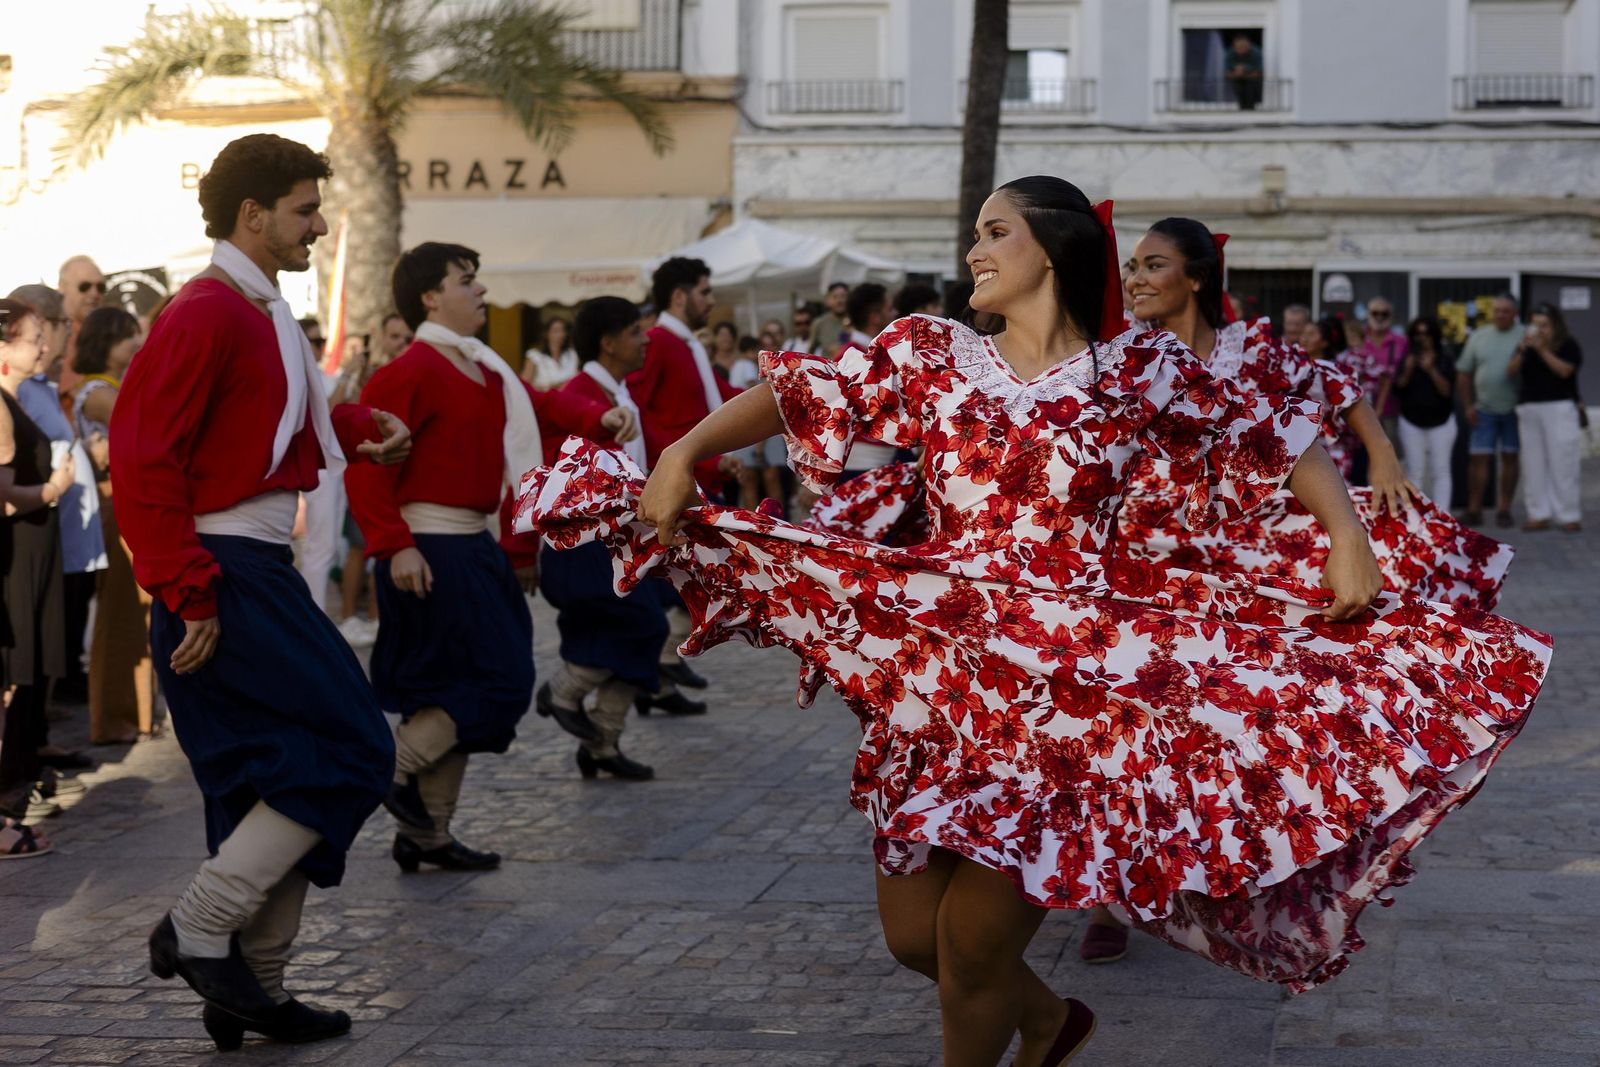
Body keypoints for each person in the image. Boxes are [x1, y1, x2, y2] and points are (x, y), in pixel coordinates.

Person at [521, 176, 1550, 1066]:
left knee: (972, 949)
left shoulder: (1134, 370)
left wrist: (1347, 536)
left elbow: (1274, 433)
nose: (974, 249)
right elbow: (799, 393)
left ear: (1051, 249)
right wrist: (681, 452)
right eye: (974, 233)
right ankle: (1051, 1020)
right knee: (916, 941)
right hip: (942, 679)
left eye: (994, 230)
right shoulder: (931, 353)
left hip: (1068, 693)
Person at [109, 133, 412, 1048]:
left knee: (273, 775)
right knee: (356, 746)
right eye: (305, 210)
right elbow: (143, 456)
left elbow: (258, 428)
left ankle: (252, 987)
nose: (318, 225)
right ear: (253, 214)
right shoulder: (207, 310)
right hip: (226, 572)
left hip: (246, 568)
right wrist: (189, 589)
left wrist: (355, 425)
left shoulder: (257, 305)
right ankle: (199, 928)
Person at [346, 242, 633, 872]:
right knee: (493, 681)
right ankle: (390, 768)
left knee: (453, 692)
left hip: (470, 547)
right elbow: (364, 468)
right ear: (430, 297)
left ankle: (427, 835)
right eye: (466, 280)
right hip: (430, 551)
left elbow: (544, 406)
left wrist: (600, 415)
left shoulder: (485, 367)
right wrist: (395, 545)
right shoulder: (408, 372)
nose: (480, 290)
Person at [536, 295, 663, 780]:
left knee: (634, 630)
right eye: (634, 331)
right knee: (643, 626)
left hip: (620, 540)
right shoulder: (580, 395)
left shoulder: (619, 392)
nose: (644, 339)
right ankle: (564, 691)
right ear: (608, 343)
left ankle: (603, 745)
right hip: (586, 545)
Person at [627, 256, 741, 714]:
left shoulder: (685, 344)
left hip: (697, 480)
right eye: (704, 292)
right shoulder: (658, 342)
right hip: (677, 486)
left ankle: (658, 679)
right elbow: (637, 412)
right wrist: (683, 460)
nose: (711, 301)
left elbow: (718, 402)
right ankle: (660, 665)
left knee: (697, 579)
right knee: (697, 579)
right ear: (679, 296)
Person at [0, 299, 76, 852]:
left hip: (26, 548)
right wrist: (52, 489)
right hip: (14, 552)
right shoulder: (3, 408)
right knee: (10, 681)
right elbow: (4, 498)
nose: (44, 348)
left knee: (15, 680)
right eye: (33, 339)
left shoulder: (13, 402)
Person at [9, 284, 105, 716]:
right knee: (31, 645)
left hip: (60, 532)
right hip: (35, 531)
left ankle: (36, 732)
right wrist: (52, 488)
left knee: (51, 640)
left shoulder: (39, 386)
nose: (64, 335)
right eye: (63, 323)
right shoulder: (18, 391)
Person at [73, 307, 157, 745]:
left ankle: (136, 714)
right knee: (121, 612)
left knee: (138, 612)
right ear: (108, 343)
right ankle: (111, 718)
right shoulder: (96, 391)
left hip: (127, 504)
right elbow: (143, 419)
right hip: (113, 506)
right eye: (128, 337)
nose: (137, 344)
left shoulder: (111, 387)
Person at [331, 312, 411, 643]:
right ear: (382, 338)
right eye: (395, 337)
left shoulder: (408, 371)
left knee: (383, 548)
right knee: (359, 546)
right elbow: (338, 413)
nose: (402, 343)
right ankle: (350, 616)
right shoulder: (372, 375)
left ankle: (379, 617)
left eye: (406, 337)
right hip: (367, 465)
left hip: (396, 472)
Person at [1510, 303, 1584, 531]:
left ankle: (1568, 515)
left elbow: (1565, 371)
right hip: (1530, 406)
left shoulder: (1568, 344)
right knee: (1533, 463)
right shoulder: (1526, 347)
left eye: (1544, 325)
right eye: (1535, 325)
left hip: (1559, 406)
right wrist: (1522, 350)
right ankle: (1538, 513)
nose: (1539, 330)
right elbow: (1510, 372)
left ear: (1555, 326)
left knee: (1563, 462)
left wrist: (1543, 350)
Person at [292, 317, 345, 615]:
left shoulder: (319, 375)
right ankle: (315, 615)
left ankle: (315, 613)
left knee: (328, 543)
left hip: (329, 467)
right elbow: (324, 416)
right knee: (320, 545)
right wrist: (346, 380)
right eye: (316, 341)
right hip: (316, 468)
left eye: (322, 341)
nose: (322, 347)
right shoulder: (298, 374)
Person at [1457, 293, 1523, 527]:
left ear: (1515, 313)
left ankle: (1504, 509)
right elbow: (1464, 374)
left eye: (1506, 311)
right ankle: (1475, 509)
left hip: (1515, 410)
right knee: (1479, 459)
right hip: (1483, 409)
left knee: (1510, 459)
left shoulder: (1524, 335)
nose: (1500, 315)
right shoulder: (1479, 337)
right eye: (1497, 310)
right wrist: (1468, 406)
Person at [836, 282, 899, 480]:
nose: (895, 314)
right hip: (860, 464)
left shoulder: (873, 352)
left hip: (877, 460)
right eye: (890, 308)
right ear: (874, 317)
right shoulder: (852, 355)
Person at [1393, 317, 1457, 508]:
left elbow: (1447, 391)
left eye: (1426, 334)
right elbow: (1398, 387)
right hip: (1411, 421)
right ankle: (1416, 516)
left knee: (1441, 471)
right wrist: (1408, 369)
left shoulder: (1444, 359)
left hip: (1441, 421)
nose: (1422, 338)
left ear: (1434, 336)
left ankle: (1443, 515)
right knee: (1415, 471)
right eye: (1417, 334)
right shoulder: (1407, 359)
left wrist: (1431, 370)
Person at [1352, 297, 1407, 448]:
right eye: (1375, 313)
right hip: (1358, 409)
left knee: (1388, 452)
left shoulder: (1401, 342)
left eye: (1384, 314)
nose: (1380, 317)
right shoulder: (1357, 339)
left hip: (1391, 410)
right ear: (1368, 314)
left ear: (1391, 316)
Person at [57, 255, 106, 406]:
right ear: (62, 288)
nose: (94, 293)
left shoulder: (104, 332)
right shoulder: (57, 335)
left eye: (100, 287)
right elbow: (82, 394)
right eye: (84, 286)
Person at [522, 316, 579, 390]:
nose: (561, 334)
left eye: (563, 330)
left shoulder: (573, 355)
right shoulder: (534, 356)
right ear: (546, 334)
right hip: (543, 396)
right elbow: (525, 386)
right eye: (556, 331)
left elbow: (578, 381)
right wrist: (555, 387)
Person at [810, 280, 850, 356]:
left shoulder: (857, 321)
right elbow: (810, 351)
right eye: (835, 297)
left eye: (843, 296)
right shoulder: (819, 323)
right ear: (828, 300)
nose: (839, 301)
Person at [1225, 33, 1264, 110]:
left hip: (1252, 82)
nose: (1241, 49)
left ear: (1248, 45)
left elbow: (1258, 72)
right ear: (1234, 47)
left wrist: (1243, 72)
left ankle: (1250, 107)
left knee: (1250, 90)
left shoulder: (1256, 53)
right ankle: (1241, 106)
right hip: (1237, 81)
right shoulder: (1230, 54)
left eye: (1243, 47)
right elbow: (1227, 73)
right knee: (1238, 90)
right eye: (1238, 47)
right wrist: (1236, 74)